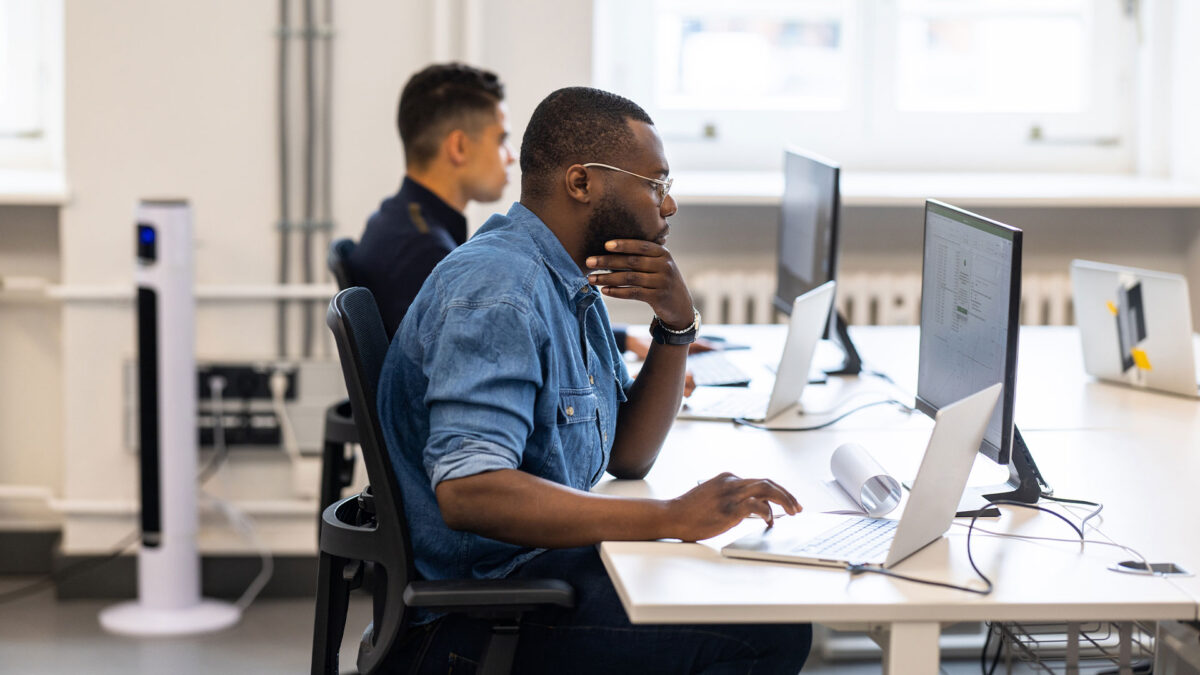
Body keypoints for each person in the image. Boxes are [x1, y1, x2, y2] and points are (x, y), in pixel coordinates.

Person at [378, 86, 812, 674]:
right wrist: (670, 518)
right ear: (581, 183)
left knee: (755, 601)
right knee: (769, 633)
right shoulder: (501, 292)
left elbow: (628, 457)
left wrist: (676, 327)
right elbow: (471, 490)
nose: (669, 206)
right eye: (656, 184)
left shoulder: (566, 283)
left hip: (533, 576)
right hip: (481, 620)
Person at [348, 62, 515, 338]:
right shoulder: (426, 254)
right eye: (501, 140)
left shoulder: (395, 222)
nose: (511, 155)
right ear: (458, 147)